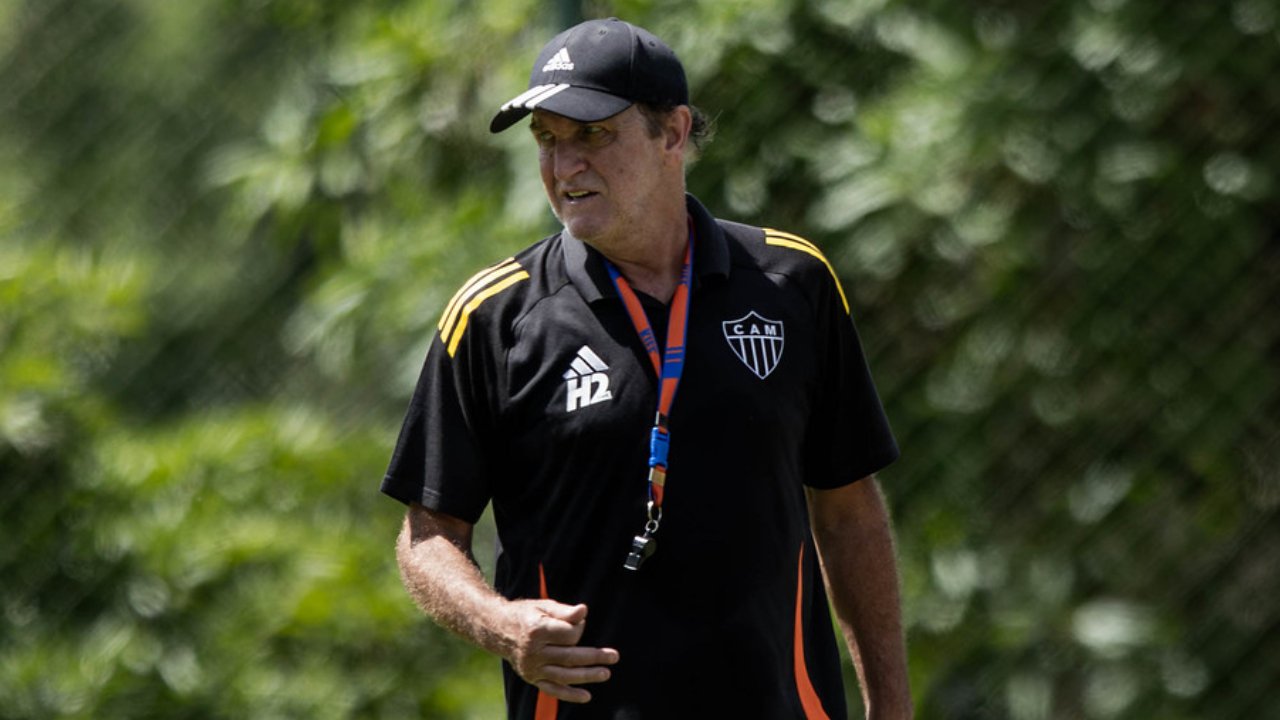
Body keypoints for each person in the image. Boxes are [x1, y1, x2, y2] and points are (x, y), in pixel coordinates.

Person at [382, 17, 912, 720]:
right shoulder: (492, 318)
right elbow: (427, 537)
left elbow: (849, 513)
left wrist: (892, 708)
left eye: (593, 134)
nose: (565, 166)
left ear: (673, 133)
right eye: (547, 139)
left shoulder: (794, 282)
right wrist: (504, 627)